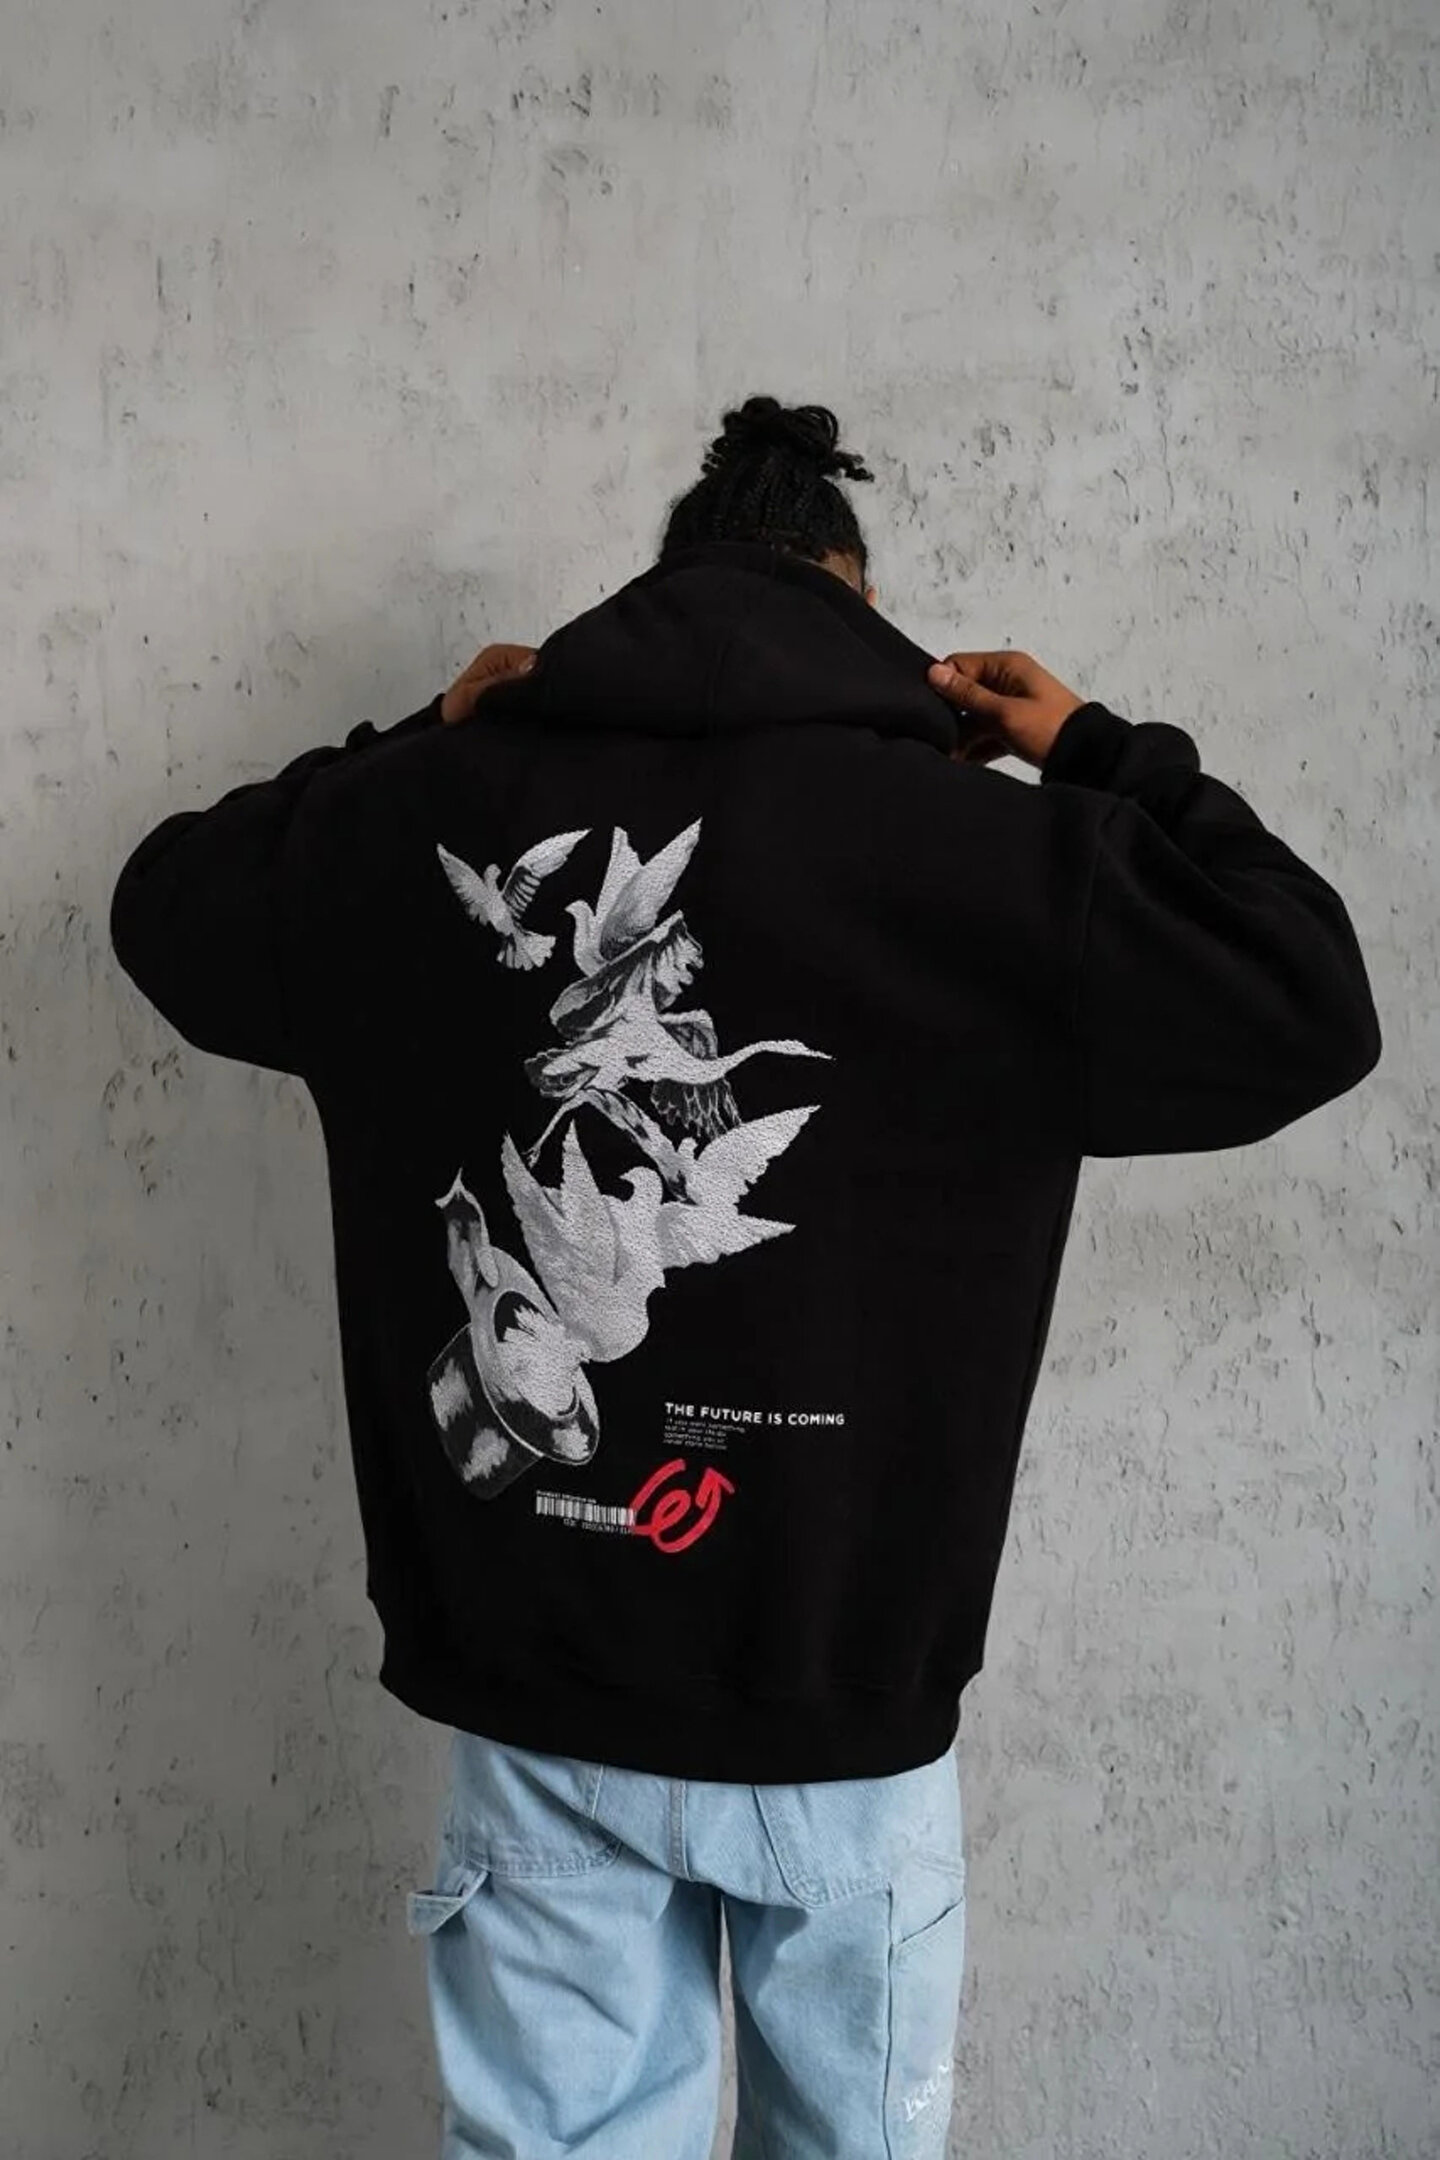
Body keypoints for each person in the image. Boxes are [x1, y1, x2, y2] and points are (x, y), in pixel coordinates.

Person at [108, 394, 1383, 2159]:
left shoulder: (438, 816)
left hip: (540, 1689)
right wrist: (1100, 751)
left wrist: (422, 738)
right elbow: (1310, 995)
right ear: (861, 611)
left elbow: (168, 905)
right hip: (843, 1715)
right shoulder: (1005, 858)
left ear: (665, 582)